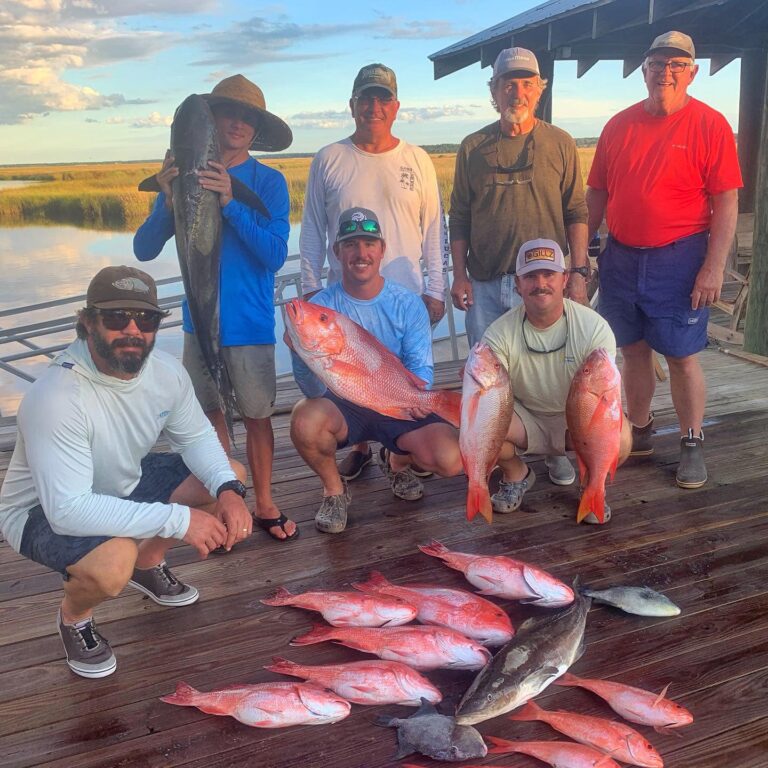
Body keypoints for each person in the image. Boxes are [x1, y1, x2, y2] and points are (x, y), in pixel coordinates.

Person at [0, 266, 251, 678]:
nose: (133, 329)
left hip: (120, 483)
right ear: (87, 322)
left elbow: (196, 438)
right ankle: (74, 618)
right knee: (114, 561)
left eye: (146, 319)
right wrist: (179, 519)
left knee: (227, 471)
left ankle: (147, 564)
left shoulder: (166, 372)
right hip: (40, 511)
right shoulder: (56, 397)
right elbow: (68, 510)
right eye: (117, 318)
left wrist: (228, 489)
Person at [134, 74, 298, 541]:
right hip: (197, 322)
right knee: (208, 417)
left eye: (249, 117)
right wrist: (167, 200)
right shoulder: (179, 173)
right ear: (213, 120)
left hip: (248, 322)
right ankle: (228, 502)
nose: (239, 122)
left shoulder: (268, 182)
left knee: (257, 416)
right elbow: (144, 249)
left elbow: (272, 254)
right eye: (230, 112)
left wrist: (230, 202)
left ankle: (264, 502)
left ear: (257, 128)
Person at [586, 31, 742, 489]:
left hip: (681, 258)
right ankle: (641, 428)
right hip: (620, 257)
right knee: (631, 349)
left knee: (682, 356)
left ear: (692, 73)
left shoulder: (711, 125)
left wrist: (713, 267)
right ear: (644, 71)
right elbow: (597, 191)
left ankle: (691, 441)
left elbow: (726, 203)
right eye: (658, 64)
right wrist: (583, 251)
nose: (666, 73)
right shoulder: (618, 125)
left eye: (677, 65)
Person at [299, 63, 449, 482]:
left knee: (400, 378)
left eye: (383, 99)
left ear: (396, 106)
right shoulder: (329, 158)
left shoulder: (416, 159)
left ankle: (398, 454)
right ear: (352, 105)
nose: (374, 106)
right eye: (366, 98)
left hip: (406, 297)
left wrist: (436, 288)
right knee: (352, 373)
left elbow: (434, 227)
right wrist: (311, 289)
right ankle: (362, 445)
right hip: (347, 298)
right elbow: (312, 227)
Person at [449, 46, 590, 488]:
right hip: (488, 282)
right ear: (493, 91)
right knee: (492, 378)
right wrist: (458, 274)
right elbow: (460, 216)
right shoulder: (472, 146)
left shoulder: (561, 142)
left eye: (527, 82)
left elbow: (577, 212)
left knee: (553, 370)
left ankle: (556, 452)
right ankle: (506, 459)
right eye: (508, 82)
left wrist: (579, 274)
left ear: (539, 89)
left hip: (546, 282)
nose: (518, 90)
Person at [290, 208, 462, 534]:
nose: (361, 253)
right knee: (304, 419)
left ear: (382, 250)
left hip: (394, 398)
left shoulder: (407, 303)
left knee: (451, 459)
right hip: (345, 405)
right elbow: (313, 392)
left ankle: (396, 460)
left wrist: (418, 397)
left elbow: (420, 369)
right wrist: (299, 353)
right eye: (351, 244)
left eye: (370, 243)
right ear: (337, 252)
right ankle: (334, 492)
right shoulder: (323, 305)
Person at [482, 239, 631, 523]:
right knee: (480, 418)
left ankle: (592, 487)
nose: (541, 283)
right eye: (530, 276)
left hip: (573, 422)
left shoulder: (594, 328)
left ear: (564, 279)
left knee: (621, 436)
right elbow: (488, 394)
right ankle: (517, 474)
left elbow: (606, 400)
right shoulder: (497, 334)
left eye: (549, 274)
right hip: (524, 420)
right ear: (517, 284)